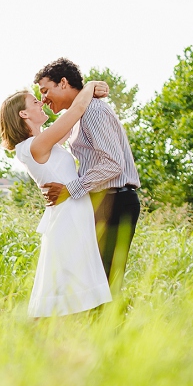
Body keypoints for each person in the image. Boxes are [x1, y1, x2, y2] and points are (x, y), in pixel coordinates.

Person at [0, 81, 112, 318]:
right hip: (67, 220)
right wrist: (89, 86)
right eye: (35, 101)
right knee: (64, 286)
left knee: (72, 286)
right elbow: (74, 112)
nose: (41, 103)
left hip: (74, 216)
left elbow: (69, 125)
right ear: (23, 114)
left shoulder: (45, 142)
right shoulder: (33, 146)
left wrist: (64, 97)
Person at [34, 58, 141, 295]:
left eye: (45, 90)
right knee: (92, 283)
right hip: (102, 202)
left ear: (63, 82)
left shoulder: (93, 110)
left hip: (115, 202)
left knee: (105, 283)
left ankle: (112, 331)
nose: (43, 98)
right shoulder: (80, 114)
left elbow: (113, 163)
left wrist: (71, 189)